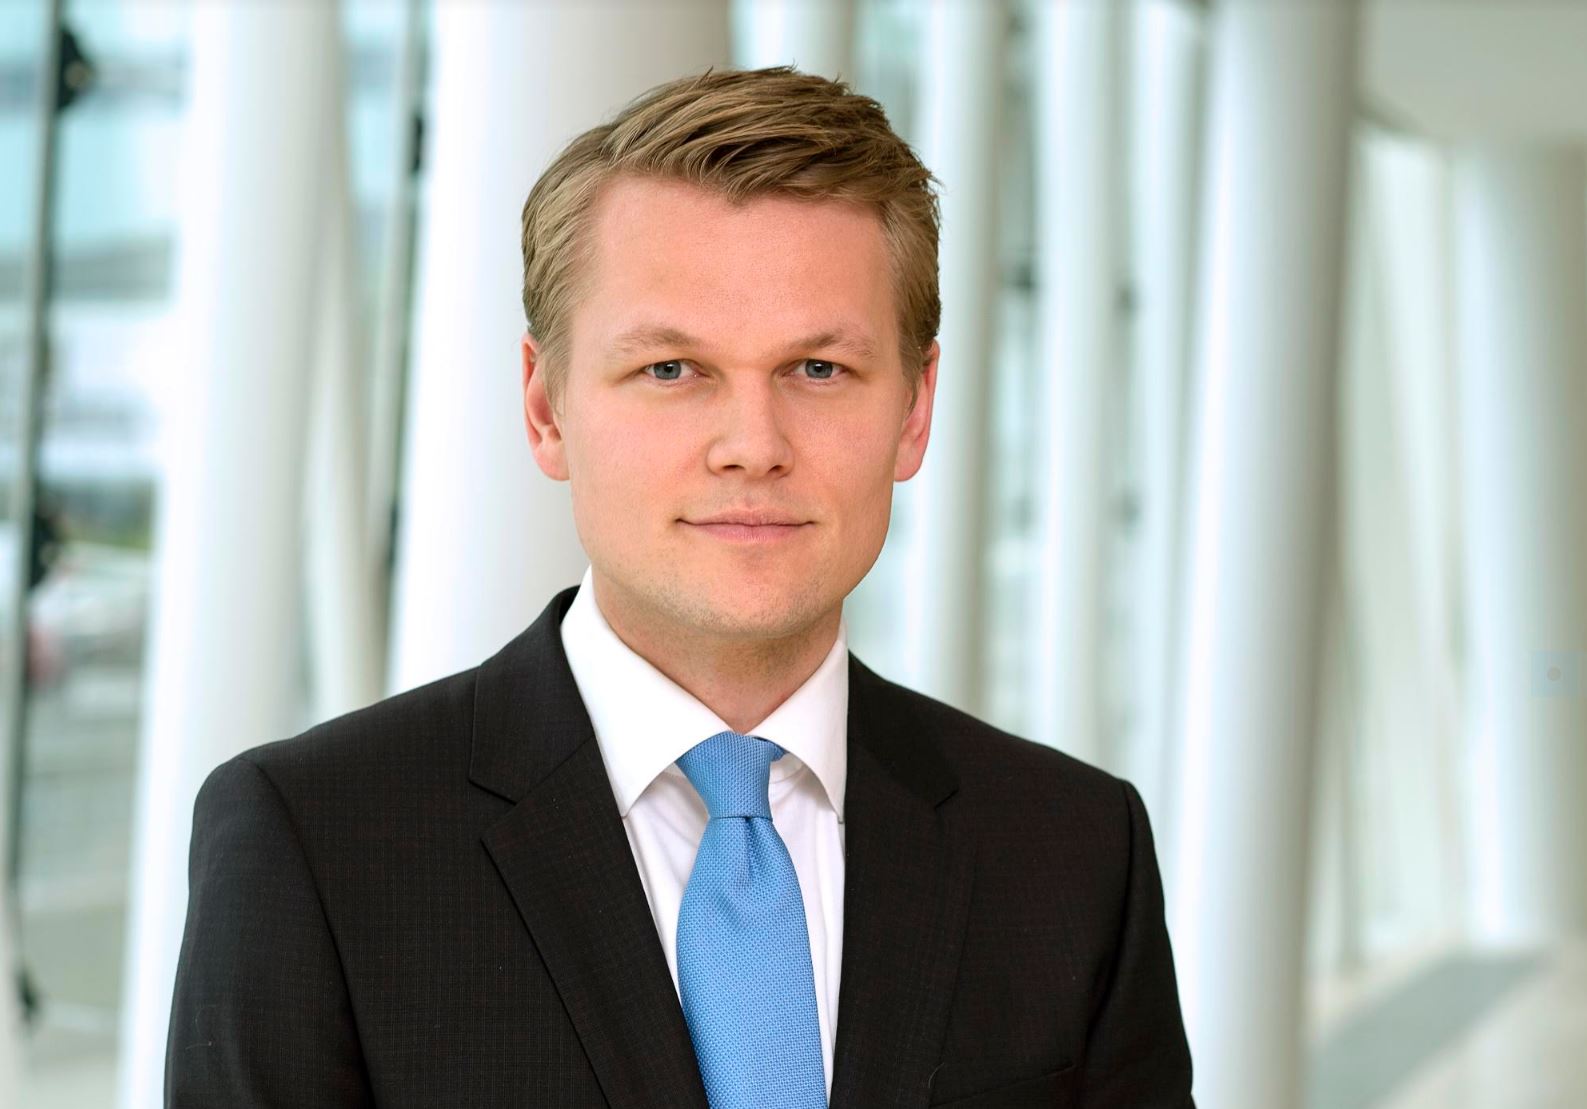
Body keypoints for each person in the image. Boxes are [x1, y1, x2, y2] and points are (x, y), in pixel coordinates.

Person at [166, 66, 1194, 1108]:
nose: (752, 444)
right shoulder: (316, 844)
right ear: (546, 408)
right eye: (671, 369)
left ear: (915, 410)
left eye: (818, 369)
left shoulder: (1071, 851)